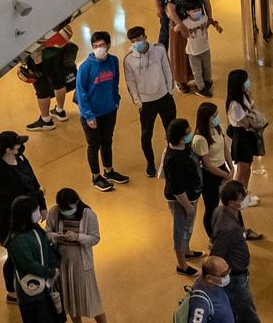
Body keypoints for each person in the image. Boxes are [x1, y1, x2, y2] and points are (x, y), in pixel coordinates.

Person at [0, 130, 41, 298]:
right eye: (18, 143)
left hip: (26, 217)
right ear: (9, 149)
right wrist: (39, 196)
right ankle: (11, 292)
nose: (21, 145)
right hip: (9, 223)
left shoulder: (21, 159)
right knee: (14, 256)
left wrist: (42, 204)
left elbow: (33, 180)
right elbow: (15, 198)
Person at [73, 30, 128, 192]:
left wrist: (116, 100)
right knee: (93, 145)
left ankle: (109, 171)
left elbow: (115, 82)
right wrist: (89, 116)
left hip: (109, 110)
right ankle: (96, 176)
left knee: (107, 141)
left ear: (108, 45)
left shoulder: (113, 61)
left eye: (102, 45)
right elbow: (81, 93)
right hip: (91, 115)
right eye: (95, 46)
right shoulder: (85, 68)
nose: (99, 48)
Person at [123, 25, 175, 179]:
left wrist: (170, 91)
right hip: (146, 103)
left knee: (171, 130)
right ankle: (150, 162)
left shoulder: (159, 49)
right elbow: (130, 82)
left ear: (145, 37)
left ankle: (171, 158)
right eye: (133, 41)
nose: (136, 43)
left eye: (138, 39)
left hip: (164, 97)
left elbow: (167, 70)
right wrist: (138, 102)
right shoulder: (129, 59)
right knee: (146, 134)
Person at [45, 187, 105, 323]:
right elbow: (47, 233)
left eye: (69, 209)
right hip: (62, 264)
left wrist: (78, 237)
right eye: (63, 210)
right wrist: (55, 236)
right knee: (70, 301)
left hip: (82, 265)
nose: (66, 213)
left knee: (91, 299)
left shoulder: (88, 214)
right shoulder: (54, 212)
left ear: (77, 202)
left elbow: (95, 238)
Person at [5, 194, 61, 323]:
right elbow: (29, 265)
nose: (38, 213)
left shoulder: (34, 228)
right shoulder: (17, 240)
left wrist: (54, 266)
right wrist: (51, 272)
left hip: (46, 285)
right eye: (35, 210)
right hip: (32, 292)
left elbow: (46, 248)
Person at [210, 183, 261, 323]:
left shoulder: (219, 211)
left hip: (235, 271)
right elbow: (216, 255)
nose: (245, 199)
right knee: (247, 312)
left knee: (235, 308)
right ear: (232, 202)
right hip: (235, 276)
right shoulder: (229, 228)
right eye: (241, 198)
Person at [161, 117, 203, 276]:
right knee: (181, 229)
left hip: (191, 196)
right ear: (179, 136)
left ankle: (187, 250)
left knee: (188, 226)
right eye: (187, 133)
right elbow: (177, 188)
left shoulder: (182, 147)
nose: (190, 134)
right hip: (181, 201)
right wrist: (187, 206)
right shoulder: (174, 159)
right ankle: (182, 265)